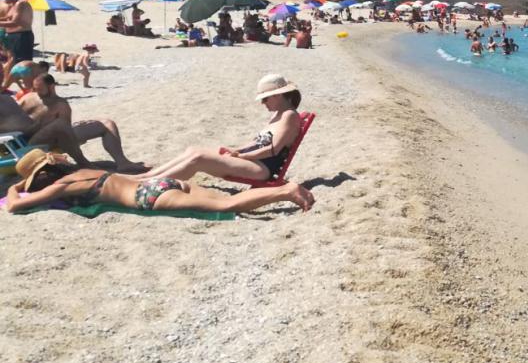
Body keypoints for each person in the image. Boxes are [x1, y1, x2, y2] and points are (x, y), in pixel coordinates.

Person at [6, 149, 314, 215]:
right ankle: (275, 195)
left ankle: (285, 191)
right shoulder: (82, 171)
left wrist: (16, 188)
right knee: (228, 205)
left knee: (229, 205)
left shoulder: (58, 187)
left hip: (150, 198)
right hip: (165, 185)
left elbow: (16, 207)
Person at [139, 74, 303, 182]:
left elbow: (272, 150)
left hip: (262, 168)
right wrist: (236, 149)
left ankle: (148, 182)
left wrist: (242, 157)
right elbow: (257, 142)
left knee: (199, 159)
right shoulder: (279, 114)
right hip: (255, 161)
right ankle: (147, 176)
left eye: (265, 99)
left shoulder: (289, 116)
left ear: (278, 95)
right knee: (193, 150)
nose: (263, 103)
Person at [20, 74, 145, 172]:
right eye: (35, 89)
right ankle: (83, 163)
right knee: (61, 125)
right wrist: (38, 125)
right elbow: (20, 125)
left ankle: (122, 162)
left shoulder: (59, 103)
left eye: (40, 89)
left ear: (51, 87)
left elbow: (66, 128)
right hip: (34, 140)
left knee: (107, 123)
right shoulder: (32, 99)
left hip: (59, 134)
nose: (37, 93)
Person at [0, 0, 34, 87]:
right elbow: (8, 18)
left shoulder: (21, 3)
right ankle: (5, 84)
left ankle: (29, 87)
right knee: (12, 60)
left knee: (23, 64)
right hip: (14, 36)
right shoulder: (14, 4)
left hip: (21, 35)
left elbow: (15, 22)